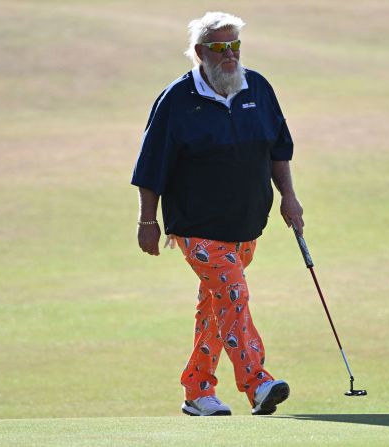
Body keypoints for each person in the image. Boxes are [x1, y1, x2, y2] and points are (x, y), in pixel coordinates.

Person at [130, 11, 304, 416]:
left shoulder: (256, 88)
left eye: (235, 46)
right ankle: (257, 382)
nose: (229, 55)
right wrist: (147, 221)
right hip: (196, 226)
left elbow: (278, 149)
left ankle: (197, 390)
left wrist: (289, 198)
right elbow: (151, 164)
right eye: (219, 48)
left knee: (216, 306)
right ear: (198, 53)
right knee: (233, 295)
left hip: (245, 225)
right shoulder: (176, 99)